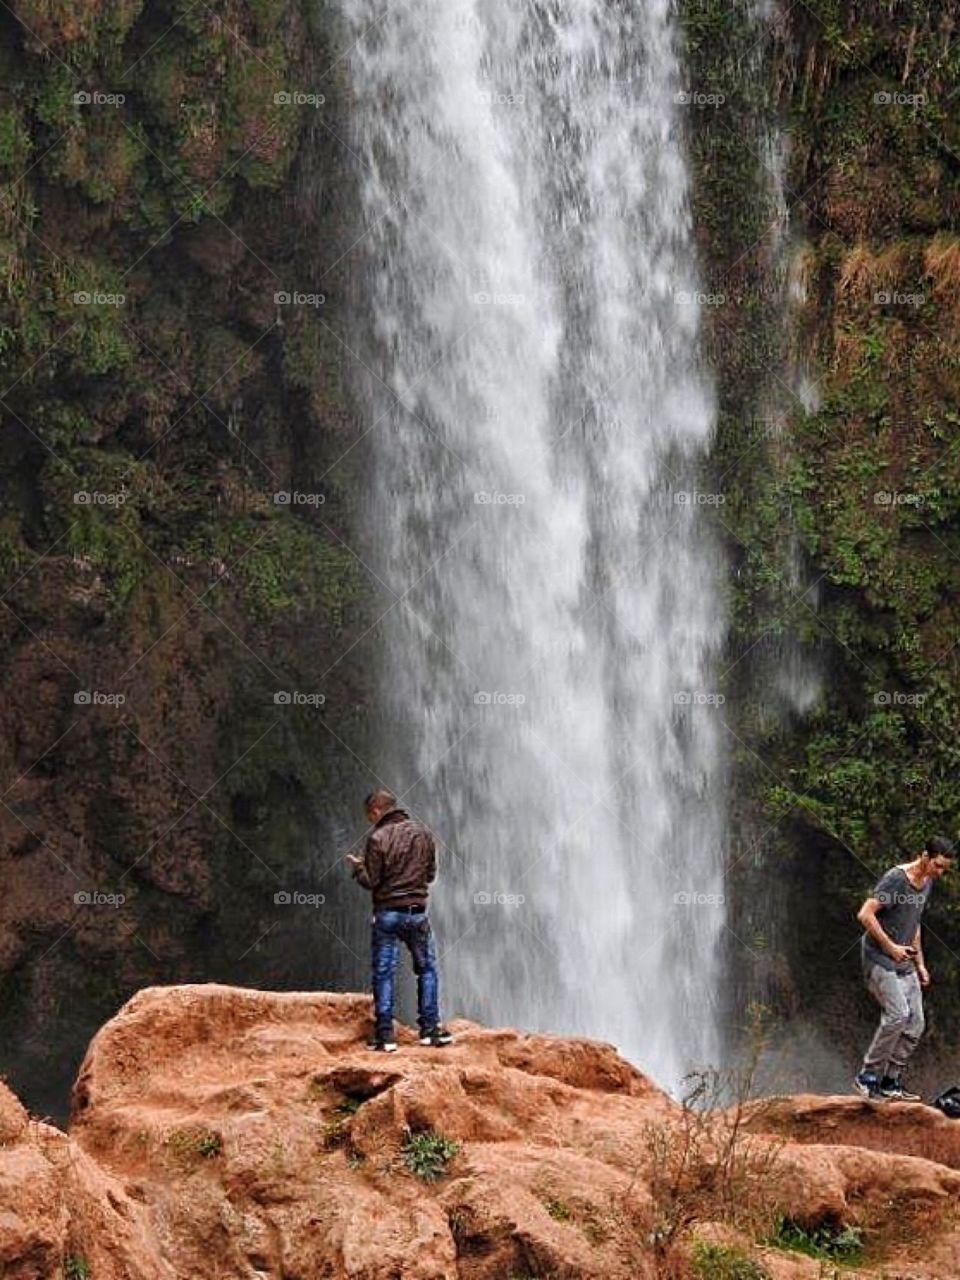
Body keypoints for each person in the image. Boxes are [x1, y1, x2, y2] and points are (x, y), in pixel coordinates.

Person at [346, 789, 453, 1052]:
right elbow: (430, 876)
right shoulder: (424, 834)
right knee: (427, 968)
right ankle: (430, 1030)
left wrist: (359, 868)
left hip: (388, 914)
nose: (370, 821)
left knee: (384, 972)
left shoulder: (378, 838)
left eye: (369, 816)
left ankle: (385, 1037)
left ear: (375, 811)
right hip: (417, 913)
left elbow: (373, 882)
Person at [854, 835, 955, 1101]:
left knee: (916, 1024)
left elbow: (914, 923)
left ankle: (890, 1081)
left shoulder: (927, 882)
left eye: (945, 868)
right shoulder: (896, 879)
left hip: (905, 960)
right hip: (879, 958)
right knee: (898, 1015)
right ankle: (867, 1076)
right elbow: (865, 913)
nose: (941, 873)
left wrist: (920, 963)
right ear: (925, 856)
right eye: (938, 866)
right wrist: (891, 948)